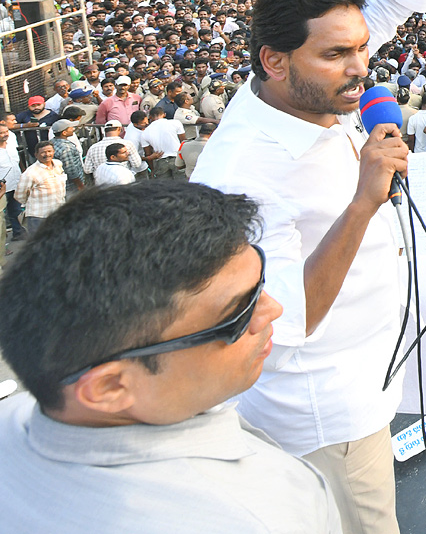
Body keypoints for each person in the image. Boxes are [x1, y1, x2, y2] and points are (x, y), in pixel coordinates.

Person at [191, 0, 426, 534]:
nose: (361, 69)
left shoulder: (311, 78)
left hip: (371, 367)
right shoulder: (242, 172)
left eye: (361, 50)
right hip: (325, 410)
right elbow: (283, 318)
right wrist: (363, 203)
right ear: (274, 60)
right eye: (339, 55)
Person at [0, 180, 340, 534]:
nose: (273, 310)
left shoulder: (17, 415)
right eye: (238, 313)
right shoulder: (263, 513)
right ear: (110, 386)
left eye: (260, 284)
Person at [15, 141, 67, 238]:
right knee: (39, 247)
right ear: (36, 155)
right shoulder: (30, 173)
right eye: (43, 152)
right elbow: (19, 196)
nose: (47, 154)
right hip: (38, 217)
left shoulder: (58, 164)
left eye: (49, 151)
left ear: (54, 152)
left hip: (58, 214)